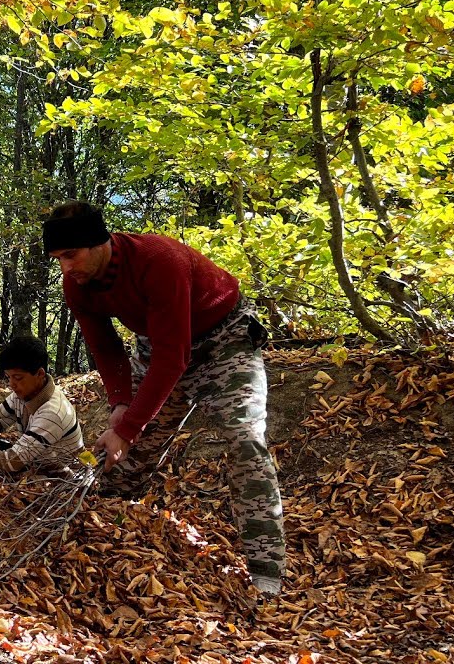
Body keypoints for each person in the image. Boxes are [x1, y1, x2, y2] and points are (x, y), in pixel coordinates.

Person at [43, 201, 286, 596]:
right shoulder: (77, 284)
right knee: (127, 457)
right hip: (157, 344)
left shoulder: (158, 260)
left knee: (245, 439)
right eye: (58, 258)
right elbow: (104, 346)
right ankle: (107, 534)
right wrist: (121, 405)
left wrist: (127, 427)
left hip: (225, 340)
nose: (66, 268)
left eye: (71, 254)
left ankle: (266, 572)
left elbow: (175, 358)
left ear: (100, 242)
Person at [0, 335, 83, 473]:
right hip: (38, 467)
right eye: (8, 377)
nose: (11, 384)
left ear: (40, 374)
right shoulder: (22, 395)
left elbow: (12, 462)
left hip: (66, 479)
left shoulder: (52, 412)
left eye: (18, 378)